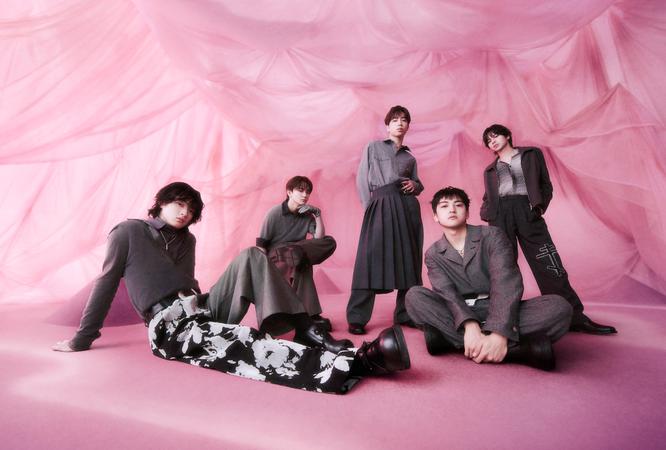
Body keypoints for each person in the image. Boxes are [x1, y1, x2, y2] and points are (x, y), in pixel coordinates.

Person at [53, 182, 411, 394]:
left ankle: (305, 329)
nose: (184, 212)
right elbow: (105, 284)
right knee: (245, 341)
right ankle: (357, 363)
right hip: (169, 327)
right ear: (160, 202)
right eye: (179, 204)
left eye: (191, 209)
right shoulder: (128, 232)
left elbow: (189, 285)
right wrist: (82, 338)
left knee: (252, 255)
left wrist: (205, 302)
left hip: (201, 308)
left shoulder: (188, 240)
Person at [406, 187, 573, 370]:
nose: (452, 209)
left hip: (500, 307)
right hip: (461, 313)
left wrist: (499, 332)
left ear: (467, 213)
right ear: (435, 216)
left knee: (559, 307)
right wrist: (470, 326)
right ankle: (520, 350)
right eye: (444, 206)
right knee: (415, 296)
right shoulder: (433, 254)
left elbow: (506, 282)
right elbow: (448, 295)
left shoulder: (493, 236)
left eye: (458, 205)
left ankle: (453, 342)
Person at [480, 124, 617, 335]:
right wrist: (488, 213)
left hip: (527, 210)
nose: (493, 142)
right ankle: (506, 320)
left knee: (549, 263)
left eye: (495, 136)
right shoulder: (490, 170)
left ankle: (574, 317)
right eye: (488, 141)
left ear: (507, 135)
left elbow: (545, 184)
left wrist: (538, 207)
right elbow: (488, 197)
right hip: (500, 215)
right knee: (503, 267)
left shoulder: (531, 154)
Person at [346, 105, 424, 335]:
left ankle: (405, 314)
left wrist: (415, 185)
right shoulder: (373, 147)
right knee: (369, 259)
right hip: (380, 204)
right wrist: (369, 207)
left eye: (404, 120)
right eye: (395, 120)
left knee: (410, 258)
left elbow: (418, 184)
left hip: (407, 207)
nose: (400, 123)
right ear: (387, 125)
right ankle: (356, 318)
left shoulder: (410, 157)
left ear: (408, 126)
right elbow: (362, 179)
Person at [256, 176, 336, 331]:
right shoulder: (274, 213)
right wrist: (263, 272)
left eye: (308, 191)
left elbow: (318, 238)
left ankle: (306, 315)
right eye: (300, 190)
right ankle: (312, 315)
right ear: (289, 192)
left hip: (297, 253)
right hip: (276, 257)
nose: (305, 194)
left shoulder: (307, 215)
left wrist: (317, 215)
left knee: (329, 241)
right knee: (300, 259)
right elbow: (261, 245)